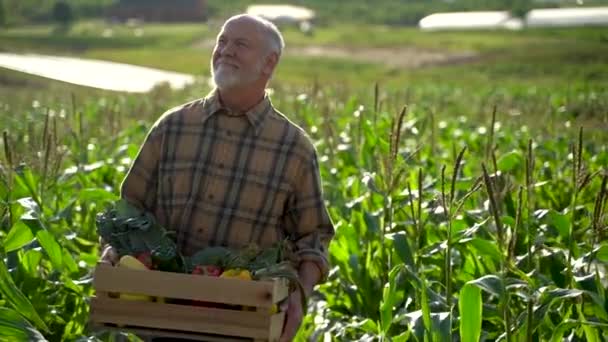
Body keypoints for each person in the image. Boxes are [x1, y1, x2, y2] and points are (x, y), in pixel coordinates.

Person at [100, 14, 335, 341]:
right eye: (222, 41)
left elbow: (313, 238)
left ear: (269, 64)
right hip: (159, 317)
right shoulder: (172, 126)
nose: (226, 50)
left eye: (240, 44)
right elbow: (130, 208)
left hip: (242, 322)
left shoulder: (293, 148)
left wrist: (301, 294)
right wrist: (115, 251)